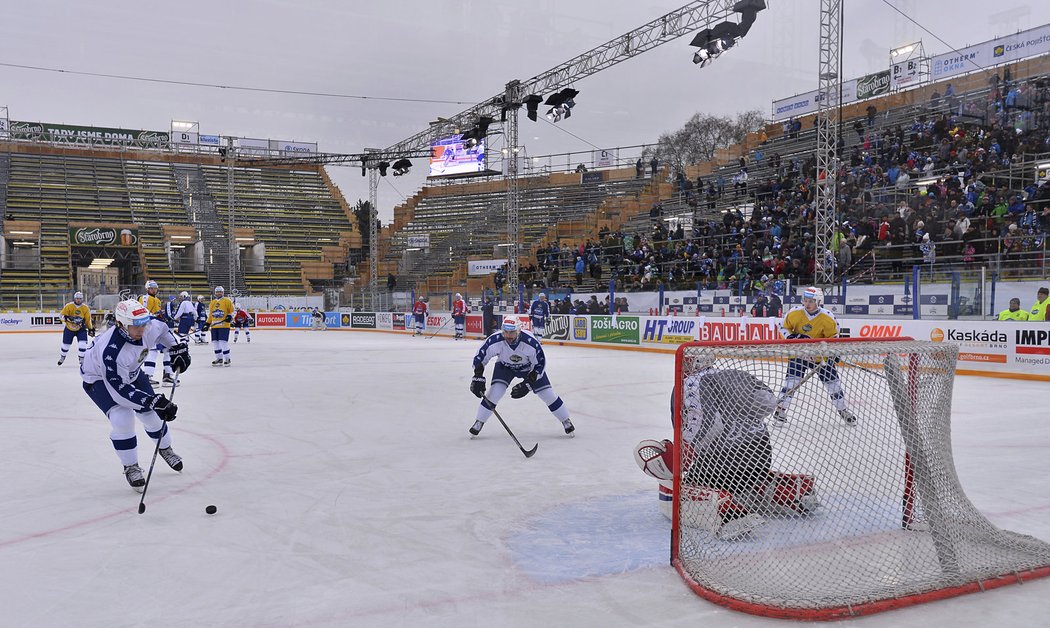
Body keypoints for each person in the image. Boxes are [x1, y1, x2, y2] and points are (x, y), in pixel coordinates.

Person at [632, 353, 818, 541]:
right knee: (749, 479)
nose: (684, 363)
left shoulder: (692, 382)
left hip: (721, 462)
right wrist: (742, 419)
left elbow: (711, 424)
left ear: (699, 361)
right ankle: (796, 490)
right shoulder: (737, 375)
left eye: (688, 359)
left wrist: (686, 450)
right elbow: (769, 403)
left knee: (673, 489)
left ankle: (729, 514)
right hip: (760, 455)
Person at [80, 299, 191, 490]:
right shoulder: (111, 352)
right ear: (121, 325)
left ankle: (165, 448)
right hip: (98, 379)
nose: (142, 329)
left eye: (144, 323)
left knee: (152, 416)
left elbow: (163, 330)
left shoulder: (148, 326)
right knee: (122, 418)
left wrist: (175, 349)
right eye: (135, 326)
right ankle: (131, 465)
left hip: (131, 372)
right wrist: (151, 400)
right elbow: (119, 391)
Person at [468, 319, 574, 437]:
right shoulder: (495, 339)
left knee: (548, 394)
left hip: (529, 369)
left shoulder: (530, 342)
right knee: (494, 393)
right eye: (505, 332)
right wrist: (477, 376)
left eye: (512, 332)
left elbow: (540, 365)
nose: (508, 336)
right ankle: (479, 422)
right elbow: (480, 357)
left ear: (518, 331)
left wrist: (527, 384)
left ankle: (565, 420)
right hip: (505, 367)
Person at [774, 286, 856, 425]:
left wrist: (833, 352)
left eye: (811, 301)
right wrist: (792, 337)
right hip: (799, 355)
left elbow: (833, 338)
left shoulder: (827, 317)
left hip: (820, 359)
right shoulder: (794, 313)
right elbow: (782, 326)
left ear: (818, 301)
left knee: (834, 385)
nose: (807, 303)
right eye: (805, 300)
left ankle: (843, 410)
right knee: (790, 384)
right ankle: (780, 411)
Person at [139, 280, 176, 386]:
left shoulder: (157, 300)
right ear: (147, 289)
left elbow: (155, 313)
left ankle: (167, 375)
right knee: (152, 351)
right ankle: (147, 376)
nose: (153, 290)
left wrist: (161, 316)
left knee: (169, 349)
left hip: (158, 329)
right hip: (150, 328)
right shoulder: (145, 298)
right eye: (151, 288)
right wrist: (155, 315)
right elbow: (143, 311)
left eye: (155, 288)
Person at [58, 291, 93, 366]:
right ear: (74, 299)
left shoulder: (85, 308)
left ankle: (81, 359)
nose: (78, 300)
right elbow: (61, 316)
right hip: (69, 329)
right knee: (65, 346)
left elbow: (87, 320)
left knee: (82, 344)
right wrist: (66, 318)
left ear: (82, 299)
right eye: (77, 299)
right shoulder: (69, 306)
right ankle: (62, 357)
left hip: (81, 328)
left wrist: (90, 328)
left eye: (80, 299)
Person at [206, 286, 234, 366]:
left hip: (224, 326)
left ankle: (227, 359)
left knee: (223, 342)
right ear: (215, 293)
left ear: (223, 292)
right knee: (215, 343)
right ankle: (219, 358)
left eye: (220, 291)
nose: (219, 293)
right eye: (217, 292)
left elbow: (232, 311)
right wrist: (207, 323)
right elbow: (211, 315)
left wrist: (230, 317)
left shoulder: (227, 301)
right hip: (214, 327)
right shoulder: (212, 302)